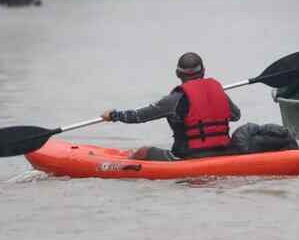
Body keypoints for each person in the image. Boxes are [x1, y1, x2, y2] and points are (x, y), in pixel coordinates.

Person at [101, 52, 241, 161]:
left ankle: (125, 162)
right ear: (203, 71)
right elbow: (236, 116)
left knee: (143, 152)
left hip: (188, 157)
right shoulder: (219, 92)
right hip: (224, 151)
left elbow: (140, 116)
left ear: (178, 73)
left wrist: (114, 115)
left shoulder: (174, 100)